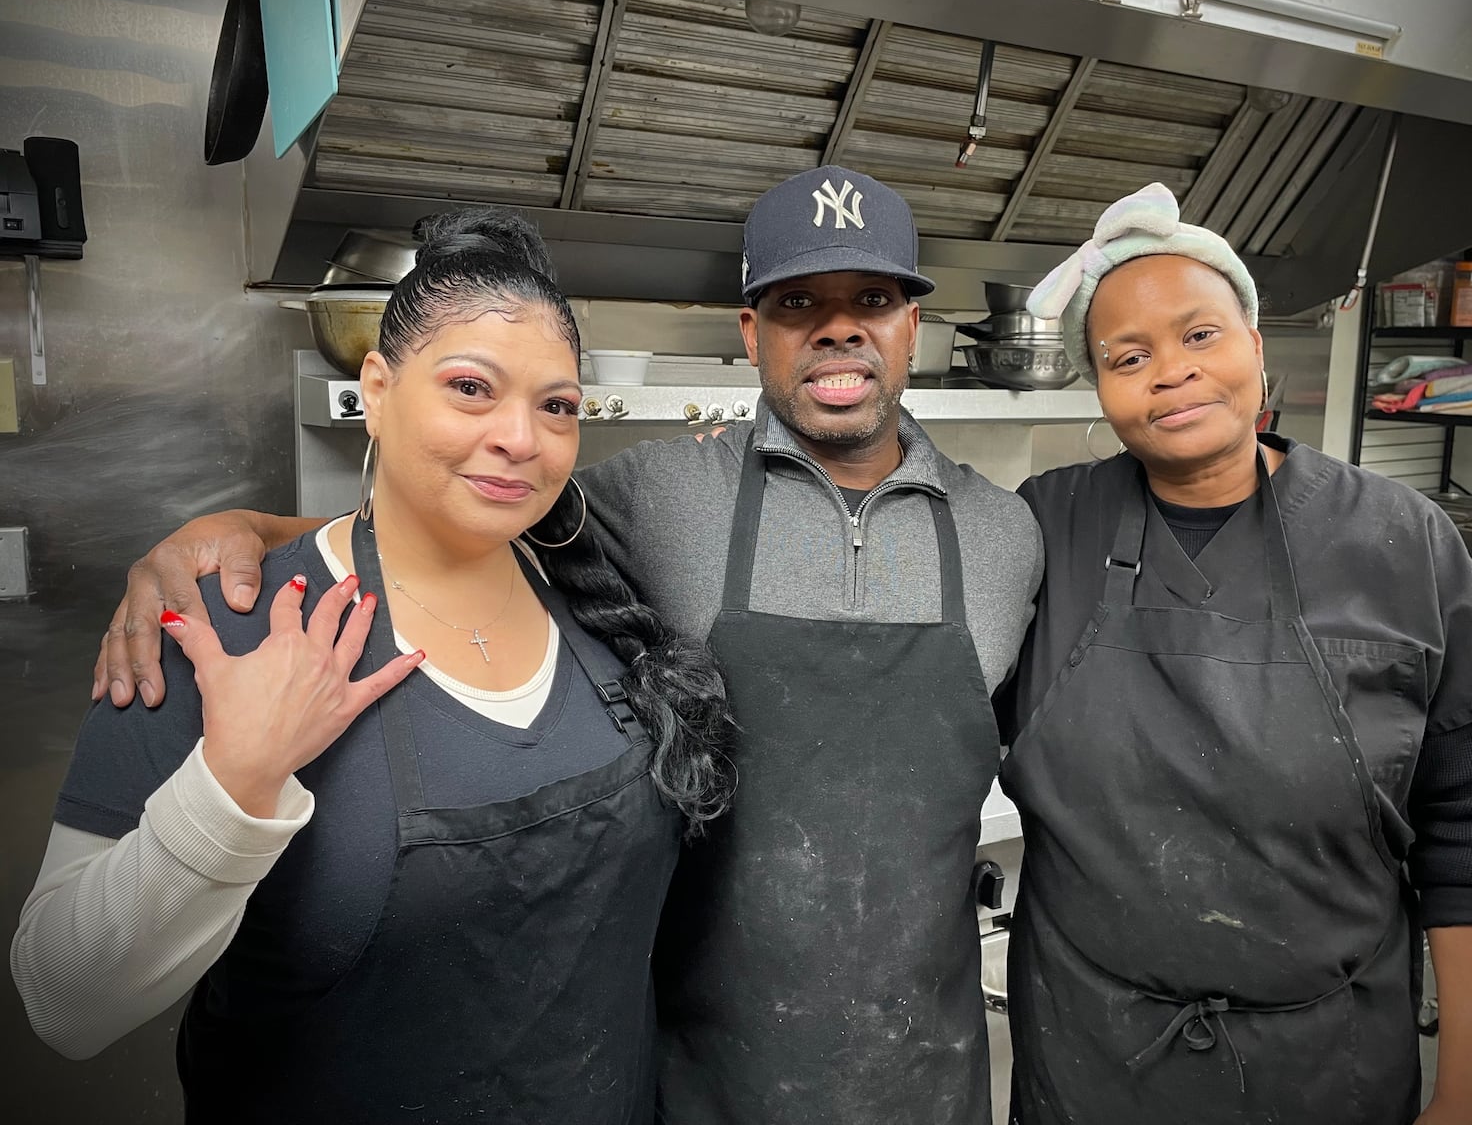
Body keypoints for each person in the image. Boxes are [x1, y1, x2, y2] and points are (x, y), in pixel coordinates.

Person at [84, 166, 1045, 1125]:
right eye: (799, 302)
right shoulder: (655, 499)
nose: (839, 327)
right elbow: (456, 516)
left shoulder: (1010, 536)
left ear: (915, 325)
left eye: (873, 299)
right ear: (750, 333)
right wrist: (243, 530)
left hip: (928, 1067)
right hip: (703, 1073)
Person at [12, 209, 736, 1124]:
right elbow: (61, 1000)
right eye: (472, 388)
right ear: (379, 391)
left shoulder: (601, 601)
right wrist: (233, 779)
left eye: (556, 405)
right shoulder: (230, 627)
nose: (522, 436)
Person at [997, 183, 1472, 1125]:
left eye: (1200, 335)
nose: (1170, 372)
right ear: (1100, 386)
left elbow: (1471, 827)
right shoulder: (1049, 526)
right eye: (1129, 355)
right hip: (1091, 1061)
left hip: (1328, 1066)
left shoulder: (1401, 539)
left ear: (1254, 343)